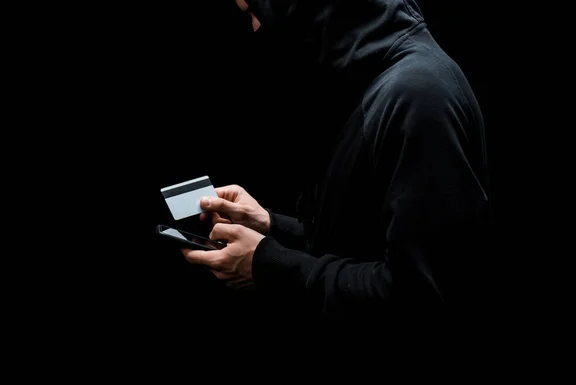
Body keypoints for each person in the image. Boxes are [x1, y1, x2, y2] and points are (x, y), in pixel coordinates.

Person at [182, 0, 492, 320]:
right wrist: (272, 228)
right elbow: (361, 243)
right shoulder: (370, 83)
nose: (255, 29)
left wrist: (268, 266)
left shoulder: (419, 98)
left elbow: (419, 298)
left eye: (253, 13)